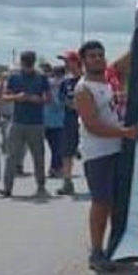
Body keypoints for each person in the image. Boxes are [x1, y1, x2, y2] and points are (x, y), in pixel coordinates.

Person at [74, 40, 138, 272]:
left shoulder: (111, 76)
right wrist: (125, 132)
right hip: (98, 153)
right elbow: (92, 125)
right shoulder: (83, 89)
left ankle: (118, 248)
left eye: (100, 55)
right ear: (83, 61)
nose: (97, 59)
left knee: (120, 202)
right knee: (101, 202)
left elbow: (133, 54)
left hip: (120, 149)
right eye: (92, 56)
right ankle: (96, 252)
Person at [0, 51, 51, 198]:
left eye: (29, 61)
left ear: (33, 62)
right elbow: (4, 97)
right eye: (25, 61)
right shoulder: (15, 77)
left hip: (36, 122)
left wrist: (37, 99)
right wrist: (17, 97)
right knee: (11, 156)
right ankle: (7, 187)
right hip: (18, 122)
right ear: (22, 62)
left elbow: (48, 99)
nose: (27, 64)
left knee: (38, 156)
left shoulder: (41, 78)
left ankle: (41, 185)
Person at [56, 50, 83, 195]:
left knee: (89, 152)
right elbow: (61, 99)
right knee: (66, 152)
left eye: (67, 61)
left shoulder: (86, 79)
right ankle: (67, 182)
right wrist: (69, 103)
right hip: (69, 120)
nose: (65, 64)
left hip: (86, 120)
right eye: (64, 61)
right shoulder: (66, 82)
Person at [44, 64, 67, 178]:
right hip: (60, 120)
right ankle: (55, 168)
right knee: (58, 147)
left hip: (45, 119)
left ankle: (55, 167)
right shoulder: (65, 83)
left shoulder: (47, 83)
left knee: (53, 146)